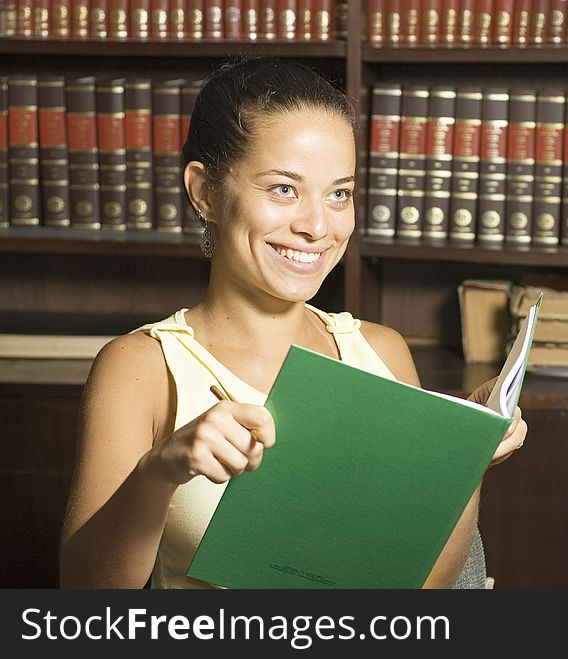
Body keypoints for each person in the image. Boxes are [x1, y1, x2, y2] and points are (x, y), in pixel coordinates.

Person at [59, 56, 528, 589]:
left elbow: (427, 590)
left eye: (339, 193)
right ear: (204, 192)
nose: (316, 226)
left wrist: (462, 452)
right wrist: (162, 470)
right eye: (283, 188)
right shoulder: (140, 367)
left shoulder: (382, 352)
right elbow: (86, 597)